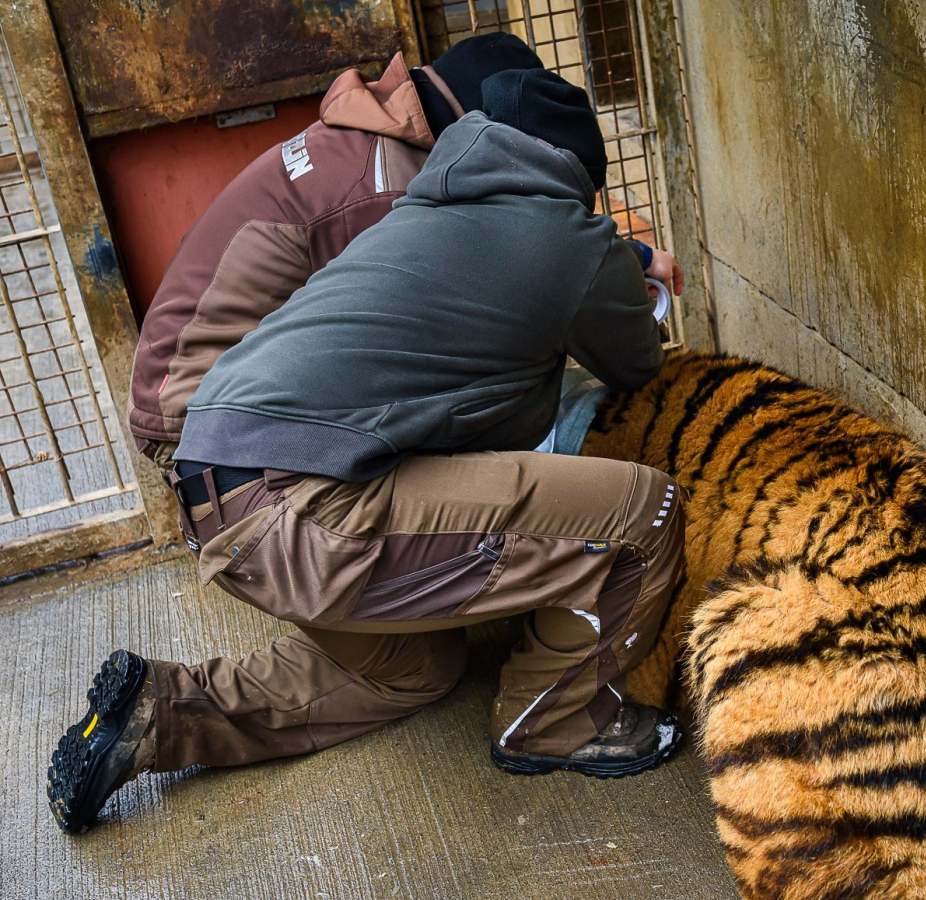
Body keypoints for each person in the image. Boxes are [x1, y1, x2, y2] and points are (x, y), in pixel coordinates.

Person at [47, 69, 685, 834]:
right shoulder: (570, 236)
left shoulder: (415, 207)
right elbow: (637, 360)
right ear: (577, 175)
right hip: (299, 510)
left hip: (213, 499)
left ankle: (163, 713)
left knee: (414, 669)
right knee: (644, 512)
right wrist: (630, 268)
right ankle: (556, 721)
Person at [127, 32, 681, 472]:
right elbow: (513, 262)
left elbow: (509, 241)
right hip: (199, 416)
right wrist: (613, 266)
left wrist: (622, 255)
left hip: (210, 393)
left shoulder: (370, 134)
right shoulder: (385, 190)